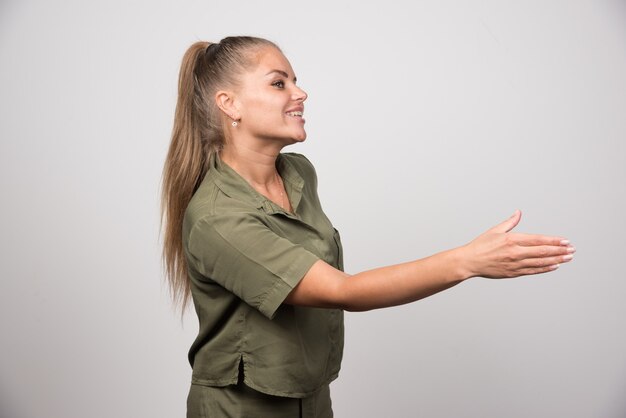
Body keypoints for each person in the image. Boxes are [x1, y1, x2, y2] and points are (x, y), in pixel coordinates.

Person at [161, 36, 575, 418]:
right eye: (278, 83)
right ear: (229, 104)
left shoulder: (298, 174)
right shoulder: (217, 216)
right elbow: (343, 290)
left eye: (295, 81)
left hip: (311, 397)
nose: (300, 93)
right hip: (241, 409)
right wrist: (467, 261)